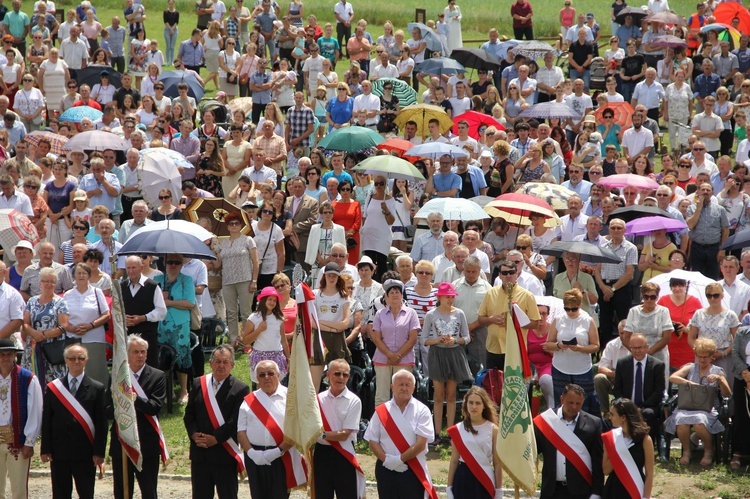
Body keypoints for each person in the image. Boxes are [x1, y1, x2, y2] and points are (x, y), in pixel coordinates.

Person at [41, 344, 107, 499]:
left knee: (86, 493)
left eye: (81, 358)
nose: (76, 361)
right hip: (59, 452)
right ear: (66, 360)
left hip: (85, 452)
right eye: (72, 358)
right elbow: (47, 420)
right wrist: (45, 448)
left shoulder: (97, 388)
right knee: (60, 493)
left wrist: (99, 452)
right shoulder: (53, 388)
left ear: (86, 360)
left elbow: (101, 423)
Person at [184, 345, 250, 499]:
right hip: (200, 454)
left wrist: (215, 438)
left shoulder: (240, 389)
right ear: (211, 363)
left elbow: (236, 421)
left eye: (225, 362)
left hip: (224, 454)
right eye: (217, 361)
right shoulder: (198, 384)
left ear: (232, 365)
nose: (221, 366)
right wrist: (194, 435)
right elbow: (189, 414)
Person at [107, 335, 167, 499]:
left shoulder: (158, 376)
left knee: (149, 491)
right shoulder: (117, 376)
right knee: (122, 491)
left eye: (143, 352)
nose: (140, 355)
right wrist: (120, 405)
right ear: (127, 354)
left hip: (146, 444)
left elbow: (155, 407)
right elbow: (106, 409)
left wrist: (133, 398)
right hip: (122, 441)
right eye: (135, 352)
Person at [365, 369, 436, 498]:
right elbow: (373, 440)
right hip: (385, 468)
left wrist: (399, 460)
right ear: (392, 387)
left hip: (412, 468)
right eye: (400, 384)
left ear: (413, 388)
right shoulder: (382, 410)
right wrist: (387, 460)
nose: (404, 388)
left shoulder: (422, 410)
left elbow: (421, 444)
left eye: (407, 385)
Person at [665, 337, 732, 466]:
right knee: (681, 421)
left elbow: (727, 394)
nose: (702, 360)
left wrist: (720, 380)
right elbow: (673, 377)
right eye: (699, 356)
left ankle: (708, 451)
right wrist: (688, 382)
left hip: (708, 408)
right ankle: (686, 451)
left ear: (712, 356)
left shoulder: (717, 371)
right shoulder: (690, 367)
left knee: (699, 422)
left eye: (705, 357)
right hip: (688, 406)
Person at [534, 384, 604, 499]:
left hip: (581, 491)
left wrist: (596, 492)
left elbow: (597, 462)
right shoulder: (547, 421)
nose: (574, 407)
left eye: (578, 404)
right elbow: (534, 450)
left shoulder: (594, 423)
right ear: (562, 399)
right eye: (570, 403)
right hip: (551, 490)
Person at [422, 282, 471, 443]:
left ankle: (450, 432)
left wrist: (455, 340)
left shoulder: (459, 313)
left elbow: (467, 337)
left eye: (452, 297)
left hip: (454, 353)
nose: (450, 300)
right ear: (439, 297)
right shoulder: (431, 314)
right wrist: (438, 340)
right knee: (438, 394)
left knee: (451, 394)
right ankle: (436, 433)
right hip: (437, 354)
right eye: (447, 296)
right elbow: (424, 340)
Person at [314, 358, 364, 499]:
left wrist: (321, 435)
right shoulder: (318, 399)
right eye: (337, 374)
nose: (341, 378)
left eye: (345, 375)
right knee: (322, 494)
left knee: (347, 494)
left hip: (344, 453)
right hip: (322, 454)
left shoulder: (354, 401)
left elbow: (344, 434)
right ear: (328, 375)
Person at [478, 259, 541, 370]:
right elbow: (481, 319)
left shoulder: (527, 296)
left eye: (511, 273)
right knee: (493, 384)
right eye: (504, 273)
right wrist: (491, 320)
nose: (508, 276)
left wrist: (516, 322)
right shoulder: (490, 293)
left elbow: (535, 323)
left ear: (516, 274)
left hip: (515, 348)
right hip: (494, 347)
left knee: (513, 385)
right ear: (499, 275)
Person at [545, 288, 600, 413]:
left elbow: (596, 346)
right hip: (560, 368)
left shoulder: (587, 320)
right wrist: (559, 346)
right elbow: (548, 343)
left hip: (582, 369)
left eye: (574, 309)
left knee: (585, 404)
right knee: (562, 403)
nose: (570, 312)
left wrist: (580, 348)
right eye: (567, 308)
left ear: (580, 305)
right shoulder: (558, 319)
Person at [446, 386, 501, 499]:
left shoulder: (493, 429)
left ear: (484, 405)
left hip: (485, 480)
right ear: (466, 404)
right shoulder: (458, 429)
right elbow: (454, 461)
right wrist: (449, 487)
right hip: (463, 479)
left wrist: (499, 490)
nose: (474, 406)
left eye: (478, 403)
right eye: (471, 402)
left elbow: (497, 463)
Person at [154, 254, 195, 404]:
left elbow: (190, 302)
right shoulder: (157, 280)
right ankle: (167, 390)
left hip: (179, 324)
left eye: (177, 262)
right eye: (170, 262)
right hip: (161, 324)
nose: (173, 265)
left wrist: (169, 302)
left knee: (181, 356)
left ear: (182, 264)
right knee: (162, 357)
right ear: (164, 262)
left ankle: (184, 390)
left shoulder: (186, 280)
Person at [63, 263, 110, 386]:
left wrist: (91, 326)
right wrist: (72, 329)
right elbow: (63, 318)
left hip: (94, 337)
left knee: (96, 374)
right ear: (74, 276)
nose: (81, 275)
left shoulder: (97, 292)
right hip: (73, 338)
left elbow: (106, 314)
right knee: (75, 372)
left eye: (84, 273)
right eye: (78, 273)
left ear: (89, 276)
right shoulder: (67, 295)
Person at [602, 398, 655, 499]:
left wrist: (646, 497)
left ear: (623, 418)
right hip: (613, 490)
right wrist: (617, 450)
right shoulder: (611, 437)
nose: (609, 417)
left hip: (635, 488)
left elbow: (649, 472)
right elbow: (606, 470)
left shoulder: (645, 440)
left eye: (612, 414)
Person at [121, 256, 168, 367]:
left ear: (141, 267)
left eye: (133, 267)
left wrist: (143, 317)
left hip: (148, 337)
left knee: (149, 370)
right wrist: (123, 319)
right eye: (128, 268)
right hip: (126, 337)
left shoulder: (153, 286)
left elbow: (161, 311)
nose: (131, 271)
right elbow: (115, 310)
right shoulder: (121, 286)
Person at [242, 286, 290, 383]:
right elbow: (245, 340)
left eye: (274, 300)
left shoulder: (279, 318)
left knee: (276, 384)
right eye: (269, 299)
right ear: (263, 300)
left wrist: (288, 358)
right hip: (260, 356)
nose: (272, 302)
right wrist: (259, 329)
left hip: (277, 355)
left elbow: (283, 341)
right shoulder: (254, 318)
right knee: (262, 384)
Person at [624, 282, 673, 371]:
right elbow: (626, 337)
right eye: (646, 297)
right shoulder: (633, 311)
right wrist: (637, 352)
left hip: (658, 356)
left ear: (657, 297)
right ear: (642, 296)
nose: (649, 300)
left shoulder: (664, 311)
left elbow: (666, 337)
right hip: (636, 356)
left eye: (653, 297)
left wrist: (648, 352)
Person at [657, 276, 702, 372]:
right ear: (670, 287)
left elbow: (701, 326)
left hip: (687, 348)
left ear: (685, 286)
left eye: (680, 285)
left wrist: (686, 329)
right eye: (674, 285)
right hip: (668, 346)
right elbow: (657, 321)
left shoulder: (695, 302)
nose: (677, 288)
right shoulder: (663, 301)